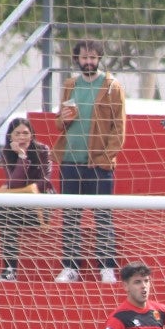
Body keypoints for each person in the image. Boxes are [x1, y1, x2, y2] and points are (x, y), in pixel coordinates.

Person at [52, 38, 126, 284]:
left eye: (93, 58)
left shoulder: (112, 86)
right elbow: (61, 122)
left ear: (99, 59)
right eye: (84, 58)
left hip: (98, 164)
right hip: (71, 159)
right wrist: (62, 117)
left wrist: (105, 158)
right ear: (77, 59)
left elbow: (119, 129)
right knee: (70, 216)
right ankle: (70, 266)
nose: (88, 62)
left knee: (103, 215)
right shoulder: (70, 84)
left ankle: (106, 266)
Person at [0, 117, 54, 282]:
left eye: (26, 133)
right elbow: (14, 182)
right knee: (9, 217)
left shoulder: (43, 150)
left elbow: (45, 182)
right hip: (17, 208)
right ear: (11, 136)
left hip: (40, 207)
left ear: (32, 135)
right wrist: (22, 157)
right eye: (17, 133)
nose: (22, 137)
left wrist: (24, 190)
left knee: (8, 211)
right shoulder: (7, 153)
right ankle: (9, 270)